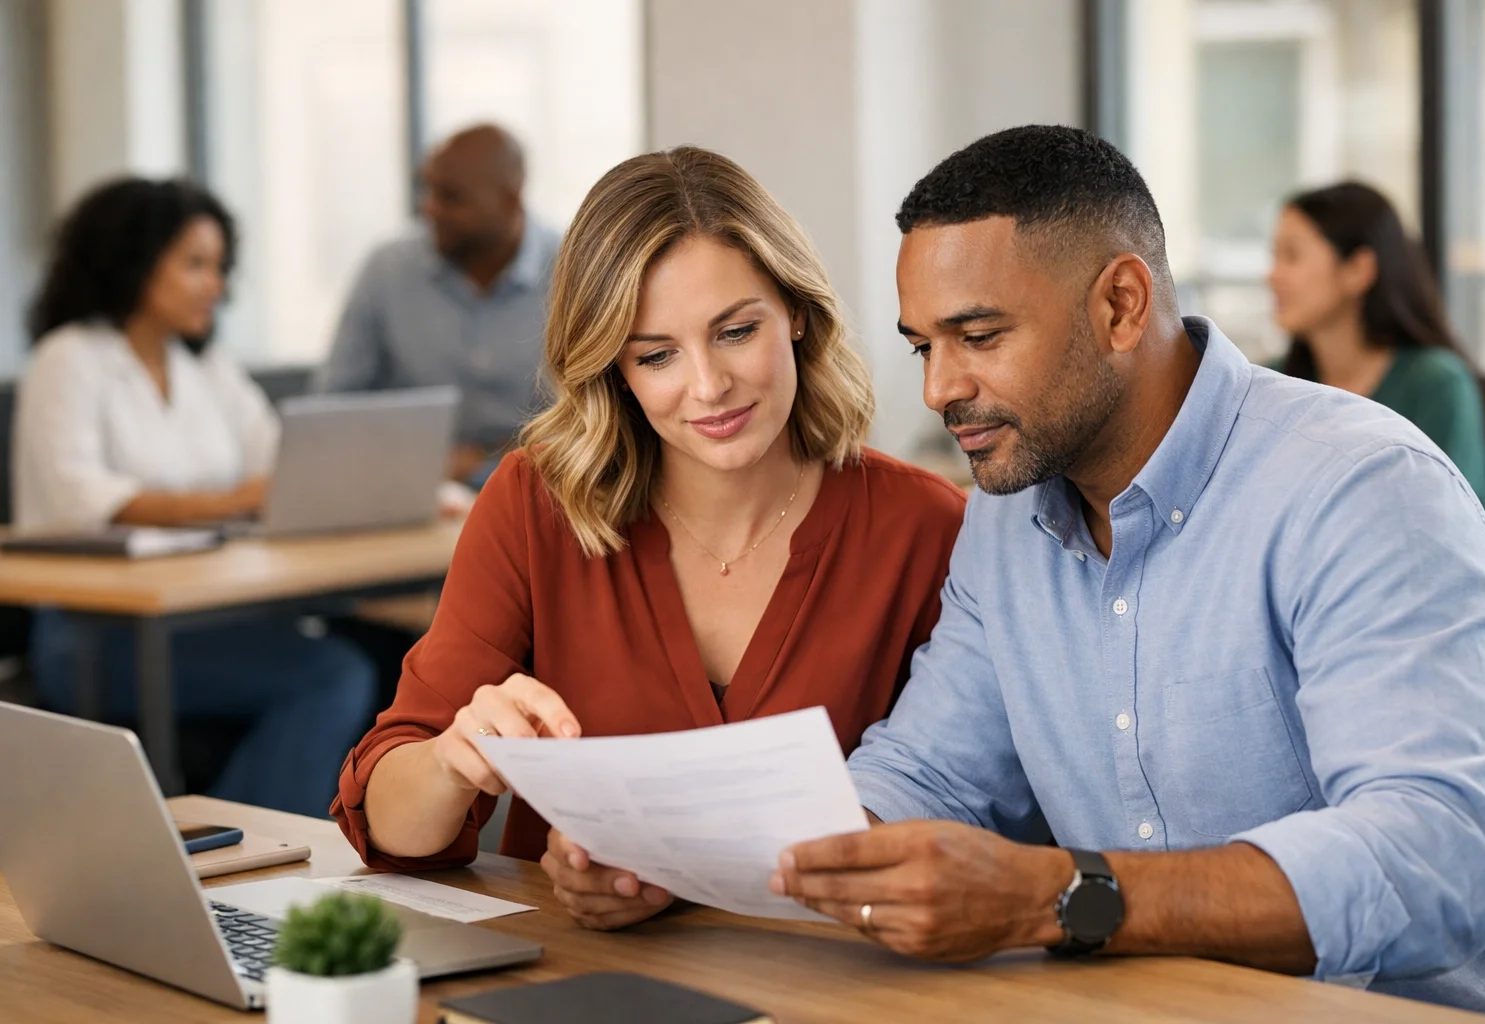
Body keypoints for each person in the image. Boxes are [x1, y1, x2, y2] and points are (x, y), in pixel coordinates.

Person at [772, 127, 1485, 1019]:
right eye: (922, 347)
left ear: (1122, 306)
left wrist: (1057, 896)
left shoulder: (1360, 489)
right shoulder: (1006, 518)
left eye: (977, 336)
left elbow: (1434, 859)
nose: (940, 389)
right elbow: (931, 778)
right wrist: (711, 859)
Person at [332, 146, 967, 932]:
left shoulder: (925, 527)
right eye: (657, 355)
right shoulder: (535, 504)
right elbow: (391, 835)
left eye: (736, 331)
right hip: (579, 986)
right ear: (612, 369)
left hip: (836, 985)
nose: (707, 386)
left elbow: (959, 820)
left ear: (796, 312)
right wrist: (453, 759)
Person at [17, 177, 377, 818]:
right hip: (98, 634)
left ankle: (239, 845)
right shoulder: (67, 359)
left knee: (365, 651)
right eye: (194, 265)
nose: (216, 285)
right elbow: (82, 499)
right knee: (332, 675)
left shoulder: (204, 367)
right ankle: (232, 856)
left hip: (204, 614)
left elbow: (284, 457)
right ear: (133, 262)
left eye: (219, 267)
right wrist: (233, 501)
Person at [318, 124, 560, 486]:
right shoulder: (387, 271)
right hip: (411, 489)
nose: (430, 207)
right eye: (427, 189)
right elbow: (333, 409)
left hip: (548, 486)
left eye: (451, 197)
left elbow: (602, 416)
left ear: (510, 200)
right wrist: (421, 459)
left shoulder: (575, 270)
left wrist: (492, 459)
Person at [1268, 181, 1485, 528]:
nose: (1272, 276)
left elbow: (1448, 524)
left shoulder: (1437, 384)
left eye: (1291, 256)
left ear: (1358, 270)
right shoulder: (1275, 383)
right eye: (1273, 256)